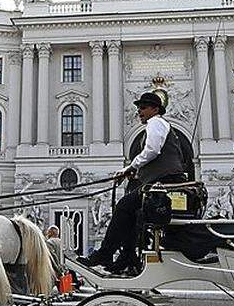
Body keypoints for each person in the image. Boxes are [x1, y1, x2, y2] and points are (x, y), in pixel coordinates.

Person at [77, 91, 188, 275]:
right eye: (138, 108)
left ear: (155, 109)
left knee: (124, 205)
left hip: (163, 184)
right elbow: (157, 159)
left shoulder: (156, 123)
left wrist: (130, 167)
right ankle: (128, 257)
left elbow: (152, 150)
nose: (139, 112)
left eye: (143, 108)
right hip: (162, 182)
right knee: (134, 213)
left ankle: (106, 253)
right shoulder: (159, 125)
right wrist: (135, 173)